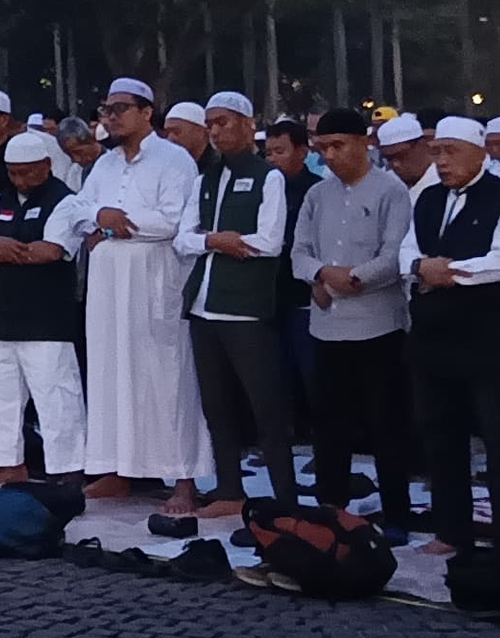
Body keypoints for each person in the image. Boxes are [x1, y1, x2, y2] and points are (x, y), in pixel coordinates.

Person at [401, 113, 500, 554]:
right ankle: (451, 530)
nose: (442, 161)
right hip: (432, 337)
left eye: (451, 151)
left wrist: (448, 271)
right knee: (441, 436)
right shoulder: (426, 199)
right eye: (437, 152)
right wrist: (423, 267)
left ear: (479, 153)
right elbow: (408, 251)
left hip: (486, 339)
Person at [172, 91, 297, 515]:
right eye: (212, 123)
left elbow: (269, 241)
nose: (217, 130)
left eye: (225, 122)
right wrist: (216, 240)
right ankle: (229, 490)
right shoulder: (205, 178)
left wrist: (219, 241)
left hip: (245, 309)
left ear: (248, 125)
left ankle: (286, 498)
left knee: (266, 407)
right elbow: (182, 239)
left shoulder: (268, 177)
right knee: (216, 403)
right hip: (203, 307)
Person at [75, 79, 199, 503]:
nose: (110, 116)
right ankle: (117, 469)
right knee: (111, 372)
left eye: (120, 108)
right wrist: (99, 216)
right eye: (106, 109)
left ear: (147, 113)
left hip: (154, 278)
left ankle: (183, 478)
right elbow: (78, 209)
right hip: (108, 283)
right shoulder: (105, 165)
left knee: (165, 376)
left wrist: (109, 223)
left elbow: (173, 220)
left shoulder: (174, 159)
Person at [292, 108, 416, 529]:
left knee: (386, 426)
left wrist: (353, 278)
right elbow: (299, 254)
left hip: (378, 326)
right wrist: (323, 275)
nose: (329, 155)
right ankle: (332, 513)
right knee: (329, 427)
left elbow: (395, 254)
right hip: (326, 328)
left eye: (338, 145)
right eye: (323, 147)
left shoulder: (391, 191)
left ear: (364, 143)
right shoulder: (317, 195)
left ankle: (397, 514)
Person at [0, 129, 89, 483]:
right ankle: (8, 464)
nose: (20, 180)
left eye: (27, 172)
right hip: (2, 315)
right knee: (0, 397)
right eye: (13, 172)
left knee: (56, 396)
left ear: (46, 165)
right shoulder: (0, 199)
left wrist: (7, 253)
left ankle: (66, 469)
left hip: (46, 318)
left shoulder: (65, 201)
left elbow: (51, 250)